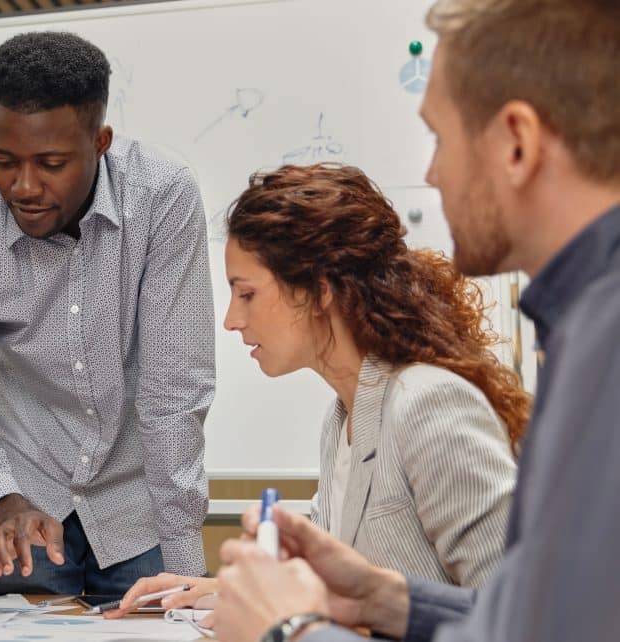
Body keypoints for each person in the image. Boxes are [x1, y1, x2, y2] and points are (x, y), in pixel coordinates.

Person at [209, 0, 620, 640]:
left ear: (517, 142)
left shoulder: (593, 345)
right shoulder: (579, 327)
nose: (431, 173)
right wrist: (384, 600)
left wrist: (289, 631)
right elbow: (530, 618)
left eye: (440, 139)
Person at [107, 163, 528, 618]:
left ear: (318, 290)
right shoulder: (342, 420)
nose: (231, 320)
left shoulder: (426, 403)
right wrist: (216, 589)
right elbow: (335, 593)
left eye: (246, 294)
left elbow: (522, 615)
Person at [0, 30, 215, 595]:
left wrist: (182, 568)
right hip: (23, 502)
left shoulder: (162, 197)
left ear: (100, 142)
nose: (24, 187)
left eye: (51, 163)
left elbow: (173, 394)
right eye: (3, 161)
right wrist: (4, 504)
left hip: (139, 509)